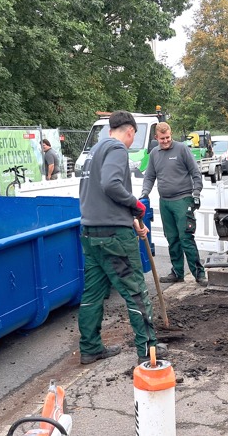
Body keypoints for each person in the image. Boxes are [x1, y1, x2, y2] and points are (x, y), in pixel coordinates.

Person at [78, 110, 167, 365]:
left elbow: (98, 194)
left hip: (91, 233)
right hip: (114, 237)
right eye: (132, 137)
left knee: (93, 295)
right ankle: (148, 350)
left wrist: (128, 218)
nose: (130, 142)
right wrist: (135, 206)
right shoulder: (117, 149)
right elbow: (111, 185)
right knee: (136, 292)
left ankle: (90, 348)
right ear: (130, 131)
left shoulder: (95, 150)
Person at [141, 122, 208, 286]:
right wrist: (145, 192)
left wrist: (196, 192)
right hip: (165, 202)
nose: (165, 141)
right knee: (172, 239)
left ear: (171, 135)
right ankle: (177, 272)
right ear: (156, 137)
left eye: (168, 137)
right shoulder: (154, 154)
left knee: (186, 238)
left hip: (183, 200)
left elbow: (195, 172)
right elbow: (149, 177)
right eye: (162, 138)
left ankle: (199, 274)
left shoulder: (182, 149)